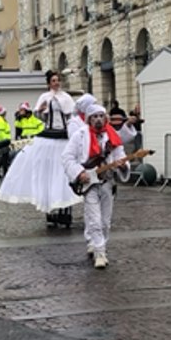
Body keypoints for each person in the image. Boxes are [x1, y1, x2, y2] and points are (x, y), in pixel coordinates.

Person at [0, 70, 81, 227]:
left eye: (58, 80)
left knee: (64, 174)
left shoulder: (66, 98)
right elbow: (38, 116)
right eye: (54, 81)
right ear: (49, 83)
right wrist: (41, 111)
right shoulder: (45, 97)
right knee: (48, 174)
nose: (56, 83)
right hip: (48, 136)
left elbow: (71, 116)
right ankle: (50, 211)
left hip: (63, 136)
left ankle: (65, 211)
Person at [63, 104, 129, 269]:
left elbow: (120, 155)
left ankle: (100, 245)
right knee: (95, 220)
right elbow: (67, 157)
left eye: (101, 116)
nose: (98, 120)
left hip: (107, 182)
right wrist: (79, 173)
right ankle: (100, 252)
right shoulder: (80, 136)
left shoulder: (112, 137)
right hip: (90, 184)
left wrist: (123, 166)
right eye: (95, 117)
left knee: (105, 222)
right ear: (89, 119)